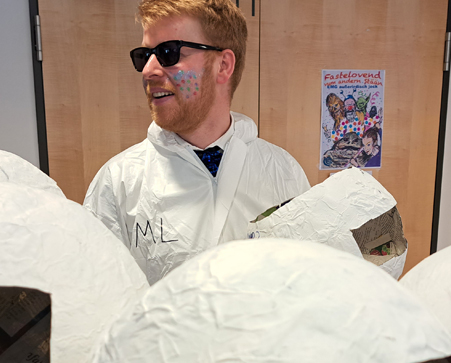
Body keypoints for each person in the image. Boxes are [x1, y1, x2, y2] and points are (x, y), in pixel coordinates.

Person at [84, 0, 310, 284]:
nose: (148, 71)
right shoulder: (118, 183)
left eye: (168, 52)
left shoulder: (283, 173)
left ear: (223, 65)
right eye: (144, 56)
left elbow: (309, 279)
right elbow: (97, 293)